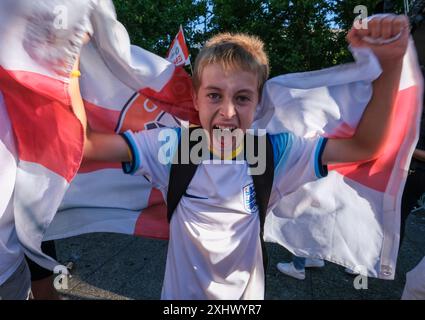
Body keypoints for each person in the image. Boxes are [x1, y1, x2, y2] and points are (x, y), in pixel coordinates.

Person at [69, 15, 410, 299]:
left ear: (259, 103)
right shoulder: (172, 147)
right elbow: (85, 146)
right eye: (215, 95)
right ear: (196, 98)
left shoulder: (274, 152)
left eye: (243, 98)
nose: (227, 112)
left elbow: (366, 147)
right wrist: (70, 64)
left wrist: (391, 64)